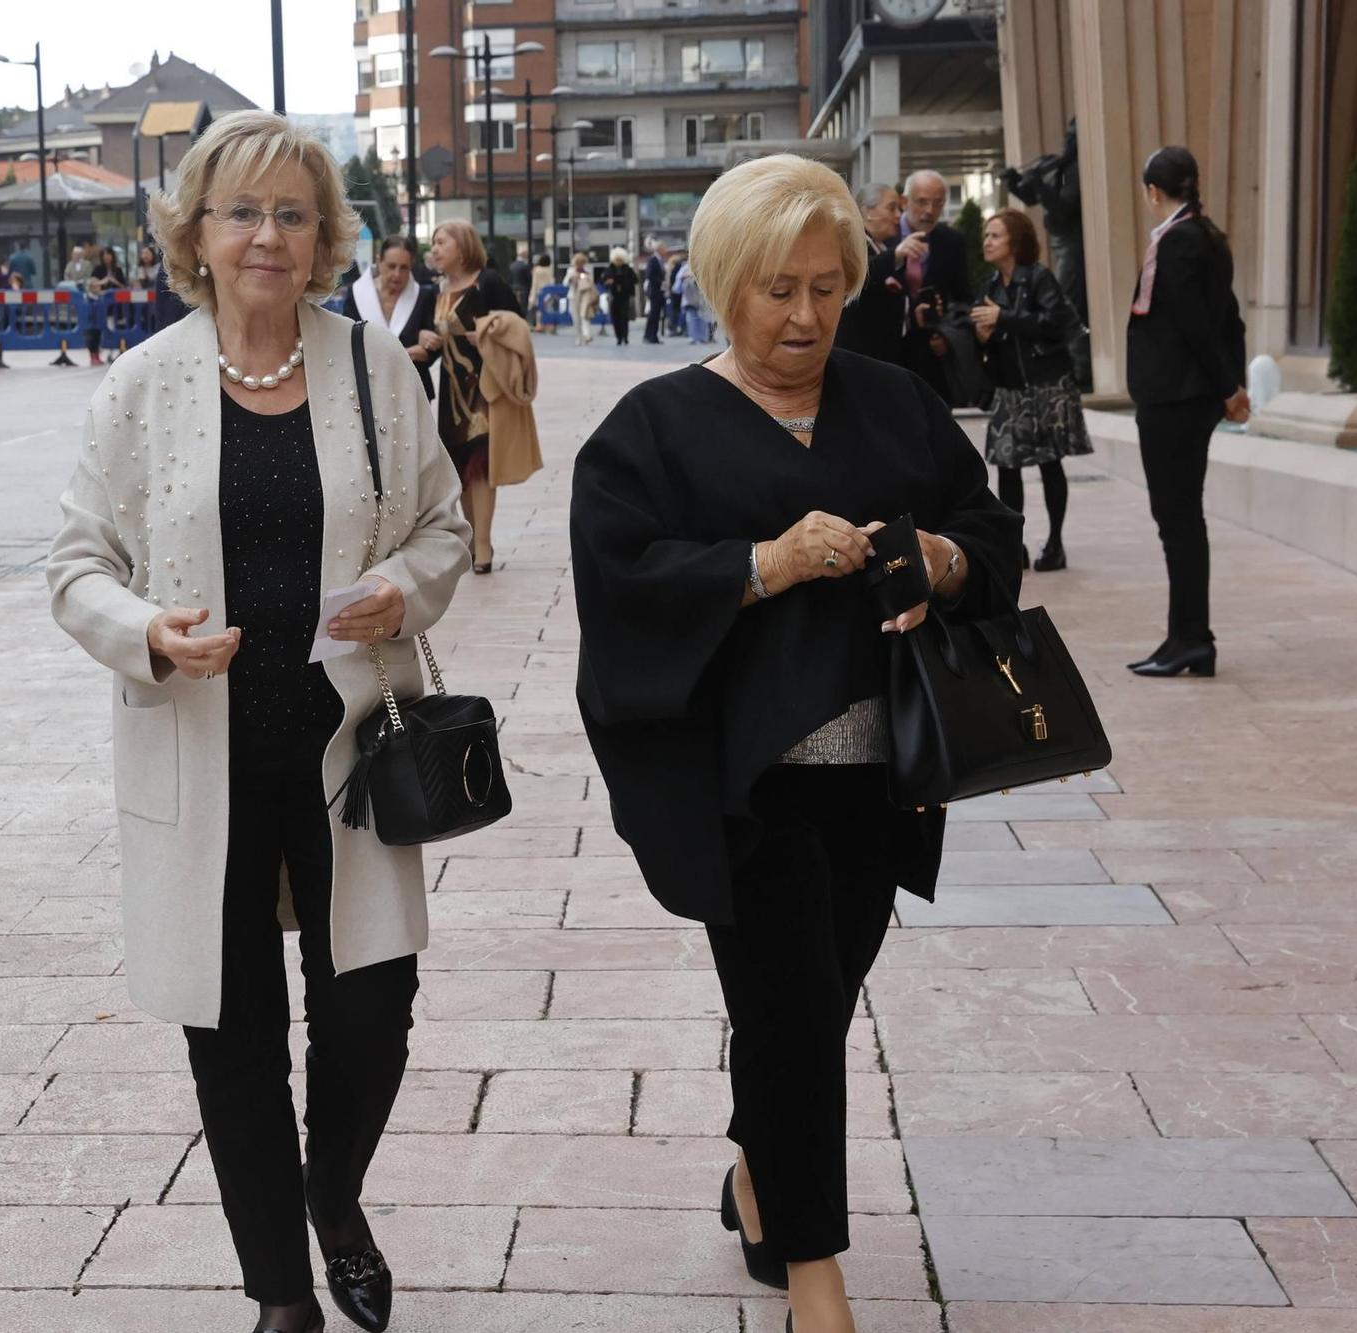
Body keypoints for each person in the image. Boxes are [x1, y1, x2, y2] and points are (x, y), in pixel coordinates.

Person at [569, 154, 1021, 1333]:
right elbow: (619, 588)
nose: (806, 315)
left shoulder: (891, 402)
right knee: (786, 1015)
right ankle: (818, 1283)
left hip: (884, 779)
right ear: (724, 284)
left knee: (812, 1007)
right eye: (778, 290)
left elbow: (986, 526)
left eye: (827, 287)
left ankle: (756, 1175)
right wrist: (756, 568)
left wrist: (947, 559)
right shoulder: (651, 430)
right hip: (745, 786)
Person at [46, 109, 471, 1333]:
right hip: (202, 761)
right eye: (241, 212)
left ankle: (331, 1196)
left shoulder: (371, 368)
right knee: (231, 1036)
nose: (266, 236)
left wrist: (408, 586)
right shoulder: (144, 384)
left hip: (350, 755)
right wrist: (147, 635)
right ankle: (281, 1291)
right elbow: (76, 565)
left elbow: (442, 524)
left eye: (291, 213)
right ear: (196, 231)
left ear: (324, 236)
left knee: (369, 1018)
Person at [1125, 144, 1249, 679]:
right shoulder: (1209, 236)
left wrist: (1228, 387)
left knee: (1177, 521)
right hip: (1187, 397)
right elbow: (1232, 321)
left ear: (1154, 192)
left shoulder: (1177, 242)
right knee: (1181, 521)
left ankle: (1191, 638)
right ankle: (1184, 636)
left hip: (1173, 399)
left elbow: (1197, 324)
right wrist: (1231, 384)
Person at [972, 208, 1092, 574]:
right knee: (1007, 466)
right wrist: (983, 338)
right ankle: (1014, 544)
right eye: (986, 235)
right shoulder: (990, 287)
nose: (987, 241)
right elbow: (989, 344)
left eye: (995, 235)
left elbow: (1057, 323)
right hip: (1010, 391)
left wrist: (1004, 319)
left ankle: (1055, 543)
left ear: (1015, 241)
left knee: (1049, 463)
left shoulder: (1038, 278)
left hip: (1046, 386)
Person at [429, 218, 522, 576]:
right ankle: (471, 538)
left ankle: (483, 542)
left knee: (480, 466)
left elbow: (517, 324)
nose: (435, 249)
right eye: (434, 243)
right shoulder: (439, 290)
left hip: (482, 388)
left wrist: (485, 331)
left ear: (463, 246)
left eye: (442, 242)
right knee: (460, 470)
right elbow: (441, 343)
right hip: (452, 394)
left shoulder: (488, 283)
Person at [895, 169, 971, 403]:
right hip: (889, 351)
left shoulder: (952, 242)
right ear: (905, 201)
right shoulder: (885, 236)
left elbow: (963, 298)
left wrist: (948, 336)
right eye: (922, 202)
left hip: (932, 353)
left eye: (938, 203)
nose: (929, 211)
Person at [339, 234, 437, 400]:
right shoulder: (357, 294)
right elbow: (347, 343)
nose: (397, 274)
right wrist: (408, 353)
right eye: (391, 266)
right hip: (368, 390)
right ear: (379, 261)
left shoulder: (423, 297)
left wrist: (430, 343)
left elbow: (431, 351)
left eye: (404, 267)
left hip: (413, 392)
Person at [835, 183, 907, 367]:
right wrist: (896, 254)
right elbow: (861, 273)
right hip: (860, 354)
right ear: (867, 212)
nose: (898, 215)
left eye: (899, 208)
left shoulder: (882, 246)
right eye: (892, 208)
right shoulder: (852, 244)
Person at [85, 245, 127, 367]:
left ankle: (114, 351)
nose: (107, 257)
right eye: (104, 255)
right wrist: (102, 282)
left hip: (116, 307)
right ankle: (97, 353)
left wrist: (115, 282)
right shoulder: (98, 269)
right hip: (100, 306)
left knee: (114, 328)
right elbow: (91, 284)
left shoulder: (118, 270)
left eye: (109, 255)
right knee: (98, 329)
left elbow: (124, 287)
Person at [604, 246, 638, 346]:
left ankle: (625, 337)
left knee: (624, 318)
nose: (618, 261)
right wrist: (609, 282)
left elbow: (635, 280)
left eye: (620, 259)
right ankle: (618, 337)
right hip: (614, 296)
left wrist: (623, 282)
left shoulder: (628, 269)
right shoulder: (609, 269)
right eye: (616, 259)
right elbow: (603, 280)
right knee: (615, 318)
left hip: (625, 296)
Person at [566, 253, 599, 345]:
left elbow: (591, 283)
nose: (580, 264)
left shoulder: (588, 270)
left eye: (582, 262)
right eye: (578, 262)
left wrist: (584, 277)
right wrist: (572, 278)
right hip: (573, 296)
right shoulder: (571, 271)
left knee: (585, 315)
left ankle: (586, 335)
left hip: (585, 296)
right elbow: (565, 283)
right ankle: (578, 336)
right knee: (576, 318)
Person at [642, 237, 669, 343]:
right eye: (664, 248)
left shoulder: (660, 261)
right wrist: (660, 282)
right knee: (653, 314)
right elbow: (649, 275)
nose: (666, 251)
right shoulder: (653, 260)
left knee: (657, 315)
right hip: (654, 292)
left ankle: (653, 335)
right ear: (659, 249)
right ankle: (650, 335)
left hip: (659, 292)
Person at [528, 252, 554, 332]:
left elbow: (534, 283)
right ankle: (550, 326)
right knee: (549, 308)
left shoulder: (537, 269)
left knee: (539, 310)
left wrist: (532, 295)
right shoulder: (550, 269)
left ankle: (540, 325)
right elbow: (552, 281)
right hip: (549, 291)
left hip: (539, 291)